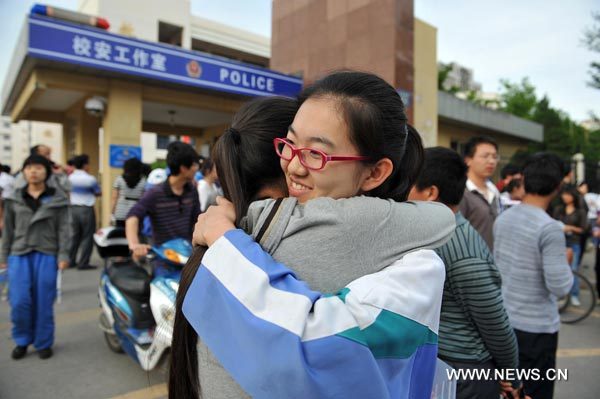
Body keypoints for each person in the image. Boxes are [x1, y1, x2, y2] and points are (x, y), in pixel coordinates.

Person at [177, 72, 455, 399]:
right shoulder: (414, 262)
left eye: (316, 154)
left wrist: (224, 239)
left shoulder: (228, 226)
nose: (294, 166)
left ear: (376, 172)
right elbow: (439, 218)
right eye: (290, 144)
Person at [408, 147, 522, 399]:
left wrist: (510, 377)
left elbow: (496, 325)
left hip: (465, 374)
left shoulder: (465, 253)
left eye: (409, 182)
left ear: (430, 193)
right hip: (441, 365)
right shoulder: (429, 234)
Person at [494, 153, 574, 399]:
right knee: (535, 391)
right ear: (558, 186)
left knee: (510, 392)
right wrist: (567, 261)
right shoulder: (550, 228)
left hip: (505, 322)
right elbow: (560, 286)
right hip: (536, 329)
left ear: (524, 181)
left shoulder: (503, 217)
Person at [1, 155, 70, 360]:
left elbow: (64, 230)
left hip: (47, 253)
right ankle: (22, 340)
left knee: (43, 302)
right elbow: (8, 231)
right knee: (20, 301)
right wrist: (3, 255)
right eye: (29, 167)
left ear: (46, 172)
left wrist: (63, 254)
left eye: (39, 167)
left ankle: (43, 342)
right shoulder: (14, 198)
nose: (33, 171)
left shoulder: (58, 198)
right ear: (23, 172)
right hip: (19, 253)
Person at [125, 141, 200, 276]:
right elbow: (132, 216)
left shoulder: (192, 191)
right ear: (183, 168)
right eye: (194, 164)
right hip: (163, 261)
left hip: (188, 258)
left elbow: (197, 221)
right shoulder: (155, 193)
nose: (196, 168)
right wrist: (135, 245)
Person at [459, 136, 501, 251]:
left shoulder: (494, 191)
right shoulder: (461, 192)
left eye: (494, 156)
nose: (491, 161)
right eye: (485, 156)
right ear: (468, 160)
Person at [553, 186, 587, 306]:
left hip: (573, 242)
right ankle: (560, 294)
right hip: (559, 241)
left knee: (572, 269)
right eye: (564, 194)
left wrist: (571, 228)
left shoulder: (580, 212)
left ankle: (574, 294)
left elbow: (583, 229)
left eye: (568, 194)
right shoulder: (558, 209)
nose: (565, 197)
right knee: (558, 269)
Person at [68, 154, 101, 270]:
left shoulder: (70, 178)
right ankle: (83, 262)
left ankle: (70, 260)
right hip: (86, 209)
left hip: (73, 209)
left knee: (74, 236)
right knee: (87, 236)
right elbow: (98, 192)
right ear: (85, 165)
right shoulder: (90, 179)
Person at [110, 157, 146, 227]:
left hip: (120, 213)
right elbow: (143, 200)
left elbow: (114, 198)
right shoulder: (143, 181)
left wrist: (111, 213)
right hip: (136, 213)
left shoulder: (119, 179)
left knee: (120, 236)